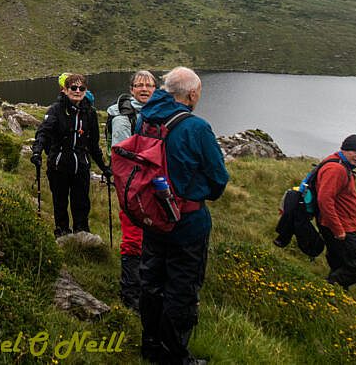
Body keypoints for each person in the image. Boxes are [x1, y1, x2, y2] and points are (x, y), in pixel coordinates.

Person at [137, 67, 228, 365]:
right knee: (182, 287)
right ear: (191, 94)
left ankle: (150, 345)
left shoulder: (146, 118)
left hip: (152, 216)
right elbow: (218, 179)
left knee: (152, 279)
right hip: (186, 221)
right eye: (199, 92)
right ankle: (174, 356)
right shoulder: (196, 127)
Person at [31, 73, 111, 237]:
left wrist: (104, 168)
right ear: (65, 90)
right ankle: (62, 232)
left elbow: (93, 144)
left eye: (81, 88)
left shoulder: (90, 113)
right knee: (60, 201)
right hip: (58, 164)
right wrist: (37, 151)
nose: (77, 91)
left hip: (81, 165)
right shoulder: (56, 110)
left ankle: (82, 234)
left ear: (85, 90)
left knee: (81, 202)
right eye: (73, 87)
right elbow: (43, 132)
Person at [106, 69, 158, 309]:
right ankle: (130, 296)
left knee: (150, 237)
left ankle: (145, 289)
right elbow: (121, 158)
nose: (145, 89)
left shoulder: (155, 114)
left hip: (153, 187)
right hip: (133, 188)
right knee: (133, 238)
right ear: (132, 89)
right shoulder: (122, 119)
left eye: (149, 85)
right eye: (140, 85)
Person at [315, 134, 356, 289]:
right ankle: (327, 288)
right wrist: (338, 229)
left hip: (336, 225)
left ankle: (335, 297)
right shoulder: (336, 169)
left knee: (340, 262)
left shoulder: (338, 162)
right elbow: (324, 200)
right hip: (340, 228)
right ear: (345, 149)